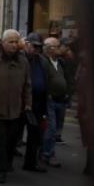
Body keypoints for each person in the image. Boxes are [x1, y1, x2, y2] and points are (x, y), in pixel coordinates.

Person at [0, 29, 32, 184]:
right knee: (0, 141)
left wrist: (28, 103)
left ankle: (6, 164)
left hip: (17, 108)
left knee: (12, 140)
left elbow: (27, 84)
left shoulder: (23, 61)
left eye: (16, 42)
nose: (14, 45)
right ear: (2, 43)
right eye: (10, 42)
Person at [22, 33, 49, 173]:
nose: (36, 49)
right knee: (13, 134)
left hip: (37, 104)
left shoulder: (42, 61)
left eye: (39, 47)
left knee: (35, 134)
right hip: (22, 102)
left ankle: (30, 162)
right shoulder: (21, 58)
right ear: (26, 44)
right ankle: (3, 163)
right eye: (34, 46)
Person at [40, 36, 69, 168]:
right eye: (57, 46)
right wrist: (48, 94)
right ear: (49, 49)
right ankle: (47, 154)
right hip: (50, 99)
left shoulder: (61, 62)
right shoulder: (44, 62)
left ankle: (45, 151)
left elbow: (67, 78)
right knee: (51, 128)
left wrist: (68, 91)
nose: (60, 48)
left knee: (56, 128)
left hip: (62, 99)